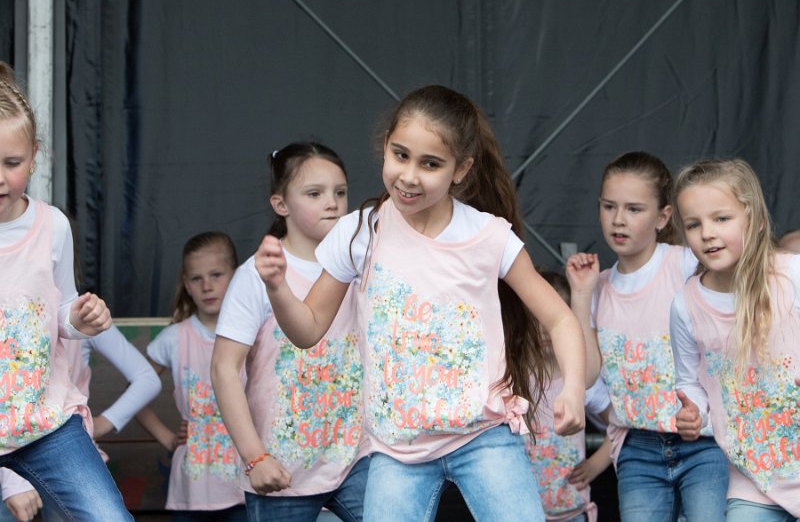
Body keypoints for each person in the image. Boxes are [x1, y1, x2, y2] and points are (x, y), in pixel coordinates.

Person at [255, 85, 587, 522]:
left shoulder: (489, 236)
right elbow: (308, 328)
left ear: (460, 169)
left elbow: (560, 318)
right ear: (385, 148)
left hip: (482, 436)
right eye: (401, 155)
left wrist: (575, 390)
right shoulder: (360, 232)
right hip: (396, 450)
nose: (409, 175)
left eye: (430, 164)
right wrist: (278, 288)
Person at [0, 61, 132, 520]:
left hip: (44, 423)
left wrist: (78, 319)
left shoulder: (52, 225)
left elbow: (59, 312)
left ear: (34, 156)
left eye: (12, 163)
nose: (0, 176)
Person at [566, 151, 728, 522]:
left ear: (663, 217)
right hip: (637, 445)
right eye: (609, 206)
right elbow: (588, 375)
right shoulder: (599, 286)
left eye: (634, 209)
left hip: (702, 441)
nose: (618, 220)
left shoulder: (686, 263)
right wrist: (580, 294)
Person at [211, 142, 369, 522]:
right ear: (280, 204)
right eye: (315, 193)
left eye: (340, 192)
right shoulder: (256, 275)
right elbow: (223, 369)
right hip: (282, 468)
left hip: (357, 457)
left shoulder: (362, 262)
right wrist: (255, 458)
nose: (332, 203)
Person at [670, 158, 800, 520]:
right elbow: (689, 379)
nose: (707, 233)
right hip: (753, 477)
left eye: (721, 219)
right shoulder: (686, 304)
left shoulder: (792, 274)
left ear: (756, 221)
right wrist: (691, 410)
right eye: (693, 224)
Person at [0, 324, 161, 521]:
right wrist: (10, 480)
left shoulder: (79, 313)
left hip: (68, 458)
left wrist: (103, 422)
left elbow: (147, 379)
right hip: (10, 459)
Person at [137, 232, 246, 521]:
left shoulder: (253, 333)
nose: (207, 286)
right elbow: (134, 393)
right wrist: (168, 437)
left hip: (245, 485)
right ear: (187, 284)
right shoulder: (174, 338)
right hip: (192, 492)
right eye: (197, 278)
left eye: (216, 274)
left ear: (236, 276)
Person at [525, 270, 611, 522]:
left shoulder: (577, 380)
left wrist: (595, 465)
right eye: (535, 317)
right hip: (523, 511)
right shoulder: (514, 380)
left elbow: (619, 423)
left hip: (572, 511)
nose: (544, 328)